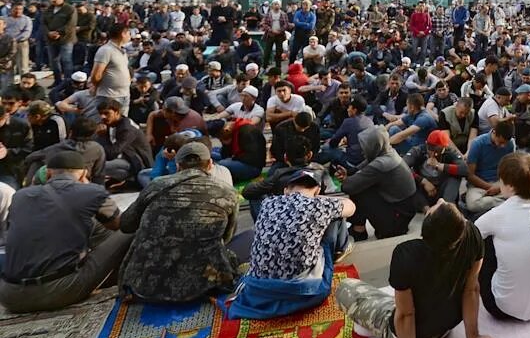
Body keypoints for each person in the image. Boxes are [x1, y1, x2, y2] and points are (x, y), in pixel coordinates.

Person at [336, 200, 496, 338]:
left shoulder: (406, 254)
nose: (440, 200)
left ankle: (376, 326)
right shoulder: (472, 235)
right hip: (445, 329)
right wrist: (473, 337)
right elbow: (472, 290)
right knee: (395, 300)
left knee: (346, 287)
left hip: (409, 336)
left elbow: (405, 315)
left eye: (439, 205)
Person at [0, 151, 131, 313]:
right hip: (59, 291)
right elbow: (120, 225)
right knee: (131, 229)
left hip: (9, 296)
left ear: (48, 173)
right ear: (83, 173)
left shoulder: (19, 196)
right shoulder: (92, 192)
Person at [117, 143, 240, 302]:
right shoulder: (227, 192)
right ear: (210, 164)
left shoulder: (156, 185)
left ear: (177, 165)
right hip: (205, 282)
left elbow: (126, 224)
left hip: (146, 282)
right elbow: (227, 236)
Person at [227, 168, 354, 319]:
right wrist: (317, 198)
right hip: (303, 292)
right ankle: (340, 250)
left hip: (260, 288)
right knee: (337, 218)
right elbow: (350, 206)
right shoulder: (320, 206)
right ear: (317, 189)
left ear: (286, 190)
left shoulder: (267, 203)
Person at [475, 153, 530, 321]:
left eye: (501, 181)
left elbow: (469, 235)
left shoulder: (496, 215)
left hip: (500, 308)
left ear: (510, 186)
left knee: (483, 240)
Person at [337, 125, 424, 239]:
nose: (362, 149)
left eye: (365, 146)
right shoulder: (388, 152)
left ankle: (359, 231)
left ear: (375, 145)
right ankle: (360, 228)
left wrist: (347, 179)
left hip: (397, 221)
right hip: (402, 212)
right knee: (362, 182)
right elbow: (359, 169)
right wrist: (349, 174)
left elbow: (348, 187)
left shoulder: (382, 164)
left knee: (360, 189)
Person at [95, 97, 153, 188]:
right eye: (101, 114)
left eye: (106, 113)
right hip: (123, 160)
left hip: (137, 163)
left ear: (117, 112)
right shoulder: (109, 123)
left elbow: (111, 153)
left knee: (97, 166)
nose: (102, 117)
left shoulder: (126, 128)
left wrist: (102, 136)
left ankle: (97, 189)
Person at [464, 118, 517, 213]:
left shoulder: (510, 144)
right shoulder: (478, 143)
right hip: (480, 184)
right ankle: (504, 204)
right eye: (500, 142)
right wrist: (489, 187)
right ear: (494, 132)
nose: (503, 146)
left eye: (505, 143)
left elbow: (510, 168)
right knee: (473, 204)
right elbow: (470, 175)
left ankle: (499, 203)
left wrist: (500, 187)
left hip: (500, 182)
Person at [405, 128, 468, 206]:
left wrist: (440, 165)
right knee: (406, 176)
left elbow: (465, 169)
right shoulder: (418, 151)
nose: (433, 153)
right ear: (426, 143)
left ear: (444, 148)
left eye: (437, 150)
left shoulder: (450, 152)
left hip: (442, 190)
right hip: (422, 190)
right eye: (430, 148)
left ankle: (446, 206)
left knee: (455, 177)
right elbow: (403, 167)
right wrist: (422, 181)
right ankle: (425, 207)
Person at [91, 23, 132, 115]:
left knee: (122, 125)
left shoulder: (122, 51)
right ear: (123, 34)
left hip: (124, 94)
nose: (130, 36)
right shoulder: (106, 50)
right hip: (109, 96)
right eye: (129, 33)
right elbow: (96, 75)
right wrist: (96, 87)